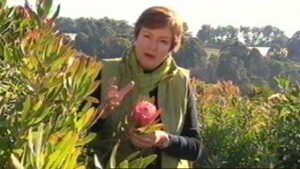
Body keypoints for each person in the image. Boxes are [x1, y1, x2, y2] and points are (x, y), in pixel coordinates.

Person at [89, 6, 203, 168]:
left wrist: (164, 139)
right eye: (147, 36)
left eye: (163, 41)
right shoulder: (108, 73)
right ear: (136, 37)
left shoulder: (180, 82)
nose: (152, 46)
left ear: (171, 48)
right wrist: (103, 112)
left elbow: (194, 148)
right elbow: (78, 135)